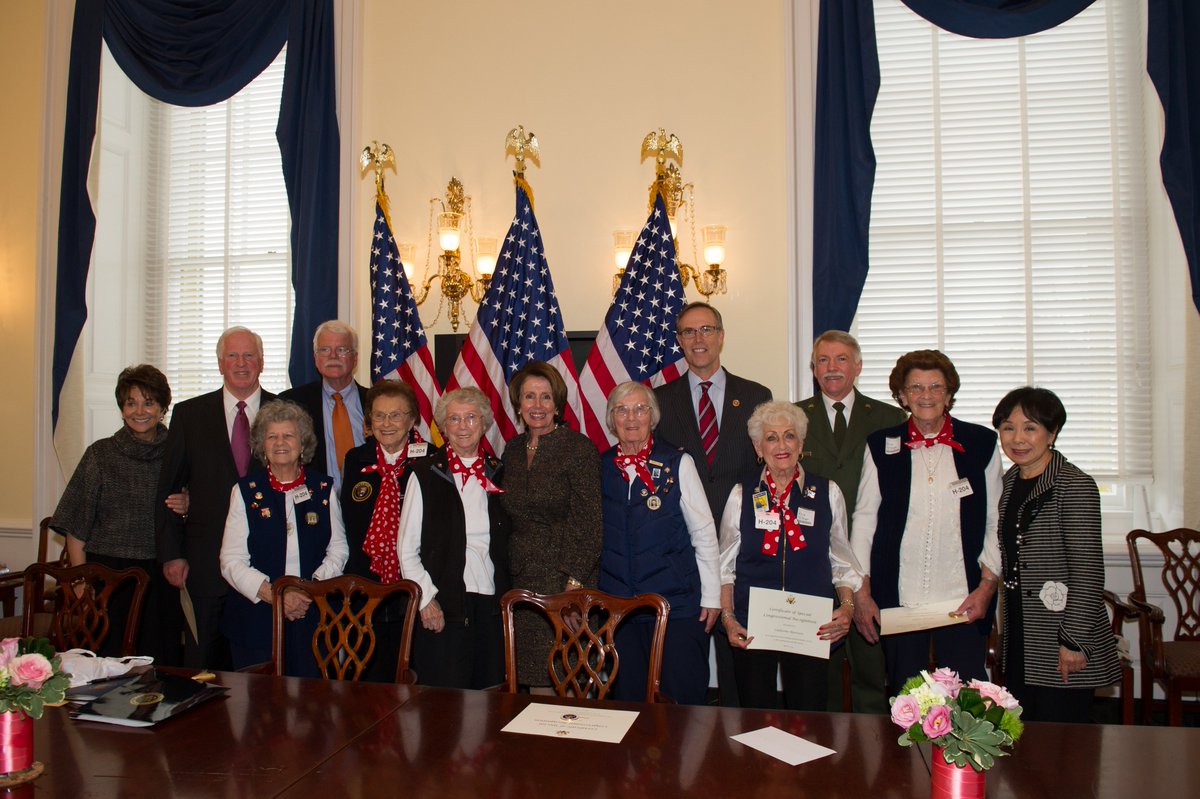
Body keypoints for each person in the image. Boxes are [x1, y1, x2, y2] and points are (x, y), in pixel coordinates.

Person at [851, 349, 1002, 691]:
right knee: (907, 698)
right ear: (902, 396)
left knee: (968, 698)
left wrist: (986, 588)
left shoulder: (981, 443)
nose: (926, 395)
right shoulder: (880, 445)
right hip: (901, 596)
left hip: (963, 598)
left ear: (949, 394)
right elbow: (864, 520)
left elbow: (995, 520)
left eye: (935, 386)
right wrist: (862, 591)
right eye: (916, 387)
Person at [653, 301, 771, 706]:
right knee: (686, 660)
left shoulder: (756, 395)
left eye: (706, 330)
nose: (698, 339)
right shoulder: (660, 401)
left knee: (740, 657)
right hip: (683, 549)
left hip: (743, 547)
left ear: (721, 336)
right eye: (688, 332)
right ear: (679, 342)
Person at [717, 401, 858, 710]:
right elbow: (725, 567)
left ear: (801, 443)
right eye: (771, 437)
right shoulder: (742, 494)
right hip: (753, 624)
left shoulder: (828, 492)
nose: (781, 445)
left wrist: (846, 609)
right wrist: (728, 618)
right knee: (755, 717)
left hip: (810, 625)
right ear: (758, 447)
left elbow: (842, 561)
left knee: (808, 719)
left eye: (789, 436)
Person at [992, 387, 1120, 722]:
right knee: (1025, 734)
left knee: (1063, 745)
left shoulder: (1073, 485)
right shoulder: (1008, 482)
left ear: (1052, 433)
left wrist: (1074, 641)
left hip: (1061, 632)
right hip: (1022, 629)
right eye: (1008, 427)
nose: (1018, 438)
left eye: (1030, 428)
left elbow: (1088, 571)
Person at [796, 330, 907, 712]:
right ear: (813, 369)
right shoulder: (794, 419)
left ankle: (873, 757)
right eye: (823, 361)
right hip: (810, 562)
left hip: (871, 561)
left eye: (841, 359)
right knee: (817, 672)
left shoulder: (891, 419)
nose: (832, 368)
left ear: (857, 366)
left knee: (871, 670)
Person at [157, 326, 277, 669]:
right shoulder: (189, 415)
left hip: (265, 566)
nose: (241, 363)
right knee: (202, 665)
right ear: (220, 363)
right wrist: (172, 555)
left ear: (262, 362)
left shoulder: (284, 412)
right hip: (203, 562)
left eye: (249, 355)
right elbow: (168, 489)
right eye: (233, 356)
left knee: (259, 666)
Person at [50, 365, 187, 660]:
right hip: (106, 578)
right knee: (107, 668)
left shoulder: (177, 454)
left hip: (160, 576)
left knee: (159, 666)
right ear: (122, 408)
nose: (140, 410)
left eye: (149, 402)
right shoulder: (100, 454)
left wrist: (189, 504)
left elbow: (197, 510)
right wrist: (80, 581)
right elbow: (76, 525)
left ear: (164, 407)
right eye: (131, 402)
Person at [599, 381, 721, 705]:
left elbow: (704, 534)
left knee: (682, 704)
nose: (631, 417)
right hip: (620, 610)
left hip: (676, 607)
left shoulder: (678, 463)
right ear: (612, 419)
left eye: (640, 408)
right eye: (622, 410)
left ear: (652, 416)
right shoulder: (599, 467)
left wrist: (711, 597)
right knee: (628, 705)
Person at [218, 400, 348, 676]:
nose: (280, 442)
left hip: (313, 615)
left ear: (302, 444)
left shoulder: (323, 488)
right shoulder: (245, 491)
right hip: (257, 619)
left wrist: (307, 591)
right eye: (271, 436)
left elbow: (338, 549)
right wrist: (277, 595)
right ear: (261, 445)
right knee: (258, 710)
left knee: (312, 707)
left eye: (288, 435)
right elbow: (231, 560)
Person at [398, 387, 510, 689]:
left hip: (490, 604)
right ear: (444, 428)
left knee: (489, 697)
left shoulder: (500, 473)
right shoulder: (424, 473)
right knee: (444, 702)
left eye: (471, 418)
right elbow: (406, 548)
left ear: (484, 423)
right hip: (442, 604)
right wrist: (426, 599)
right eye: (454, 419)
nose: (463, 426)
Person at [500, 362, 602, 691]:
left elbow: (589, 522)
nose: (538, 405)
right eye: (530, 397)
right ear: (518, 404)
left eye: (546, 397)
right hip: (523, 581)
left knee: (570, 679)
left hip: (566, 582)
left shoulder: (578, 449)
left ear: (557, 404)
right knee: (534, 683)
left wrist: (573, 586)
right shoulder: (512, 450)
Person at [339, 379, 427, 681]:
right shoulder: (355, 460)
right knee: (366, 675)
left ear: (412, 418)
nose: (387, 423)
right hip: (365, 589)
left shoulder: (429, 460)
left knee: (410, 674)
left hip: (413, 588)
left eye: (396, 415)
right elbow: (348, 523)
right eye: (379, 415)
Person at [280, 320, 368, 492]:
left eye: (342, 350)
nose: (333, 356)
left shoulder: (374, 402)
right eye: (325, 350)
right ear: (316, 359)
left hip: (369, 505)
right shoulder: (291, 404)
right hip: (313, 505)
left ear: (355, 358)